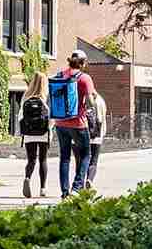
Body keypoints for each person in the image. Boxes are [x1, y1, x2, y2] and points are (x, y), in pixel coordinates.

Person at [50, 51, 96, 196]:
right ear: (82, 63)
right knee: (86, 155)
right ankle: (76, 188)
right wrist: (93, 102)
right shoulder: (84, 78)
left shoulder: (60, 75)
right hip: (78, 123)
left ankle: (64, 192)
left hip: (60, 122)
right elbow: (90, 102)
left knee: (64, 157)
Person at [16, 72, 51, 198]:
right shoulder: (46, 96)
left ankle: (27, 178)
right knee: (43, 160)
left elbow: (20, 116)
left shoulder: (26, 96)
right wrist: (50, 128)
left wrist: (22, 130)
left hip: (29, 133)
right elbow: (50, 116)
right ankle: (43, 189)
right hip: (43, 133)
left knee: (31, 160)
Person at [86, 90, 106, 185]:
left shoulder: (84, 100)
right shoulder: (100, 101)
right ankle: (89, 179)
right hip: (97, 134)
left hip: (85, 133)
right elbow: (102, 118)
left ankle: (82, 179)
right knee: (94, 160)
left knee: (84, 159)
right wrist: (103, 133)